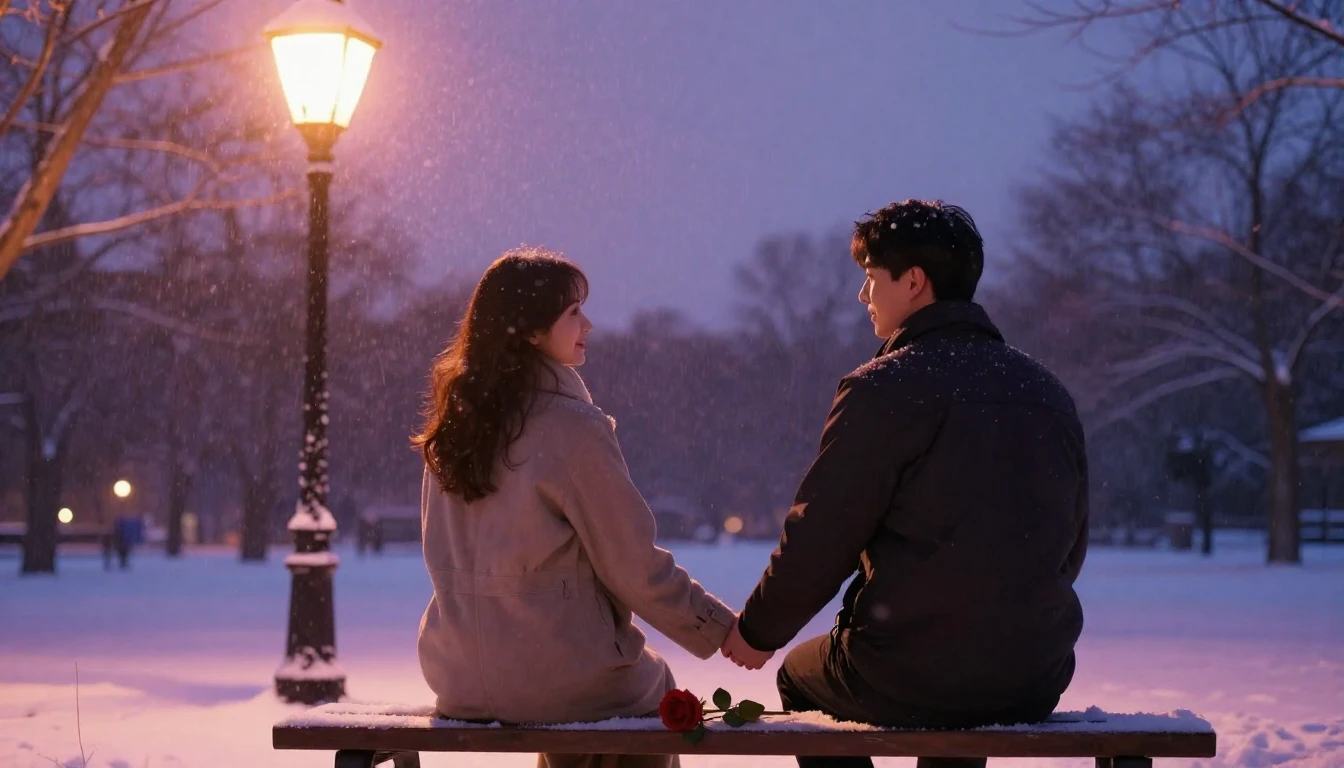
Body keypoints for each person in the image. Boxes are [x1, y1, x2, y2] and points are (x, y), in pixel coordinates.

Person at [720, 200, 1090, 768]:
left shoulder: (885, 388)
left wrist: (758, 632)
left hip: (904, 670)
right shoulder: (1047, 392)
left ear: (913, 282)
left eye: (872, 278)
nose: (863, 295)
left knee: (801, 676)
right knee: (962, 697)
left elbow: (825, 531)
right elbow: (1069, 544)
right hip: (1034, 675)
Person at [412, 247, 735, 768]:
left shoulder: (453, 428)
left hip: (457, 676)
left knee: (573, 704)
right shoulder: (570, 428)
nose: (589, 324)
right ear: (531, 330)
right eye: (574, 312)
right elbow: (632, 565)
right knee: (649, 693)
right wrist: (718, 628)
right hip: (556, 673)